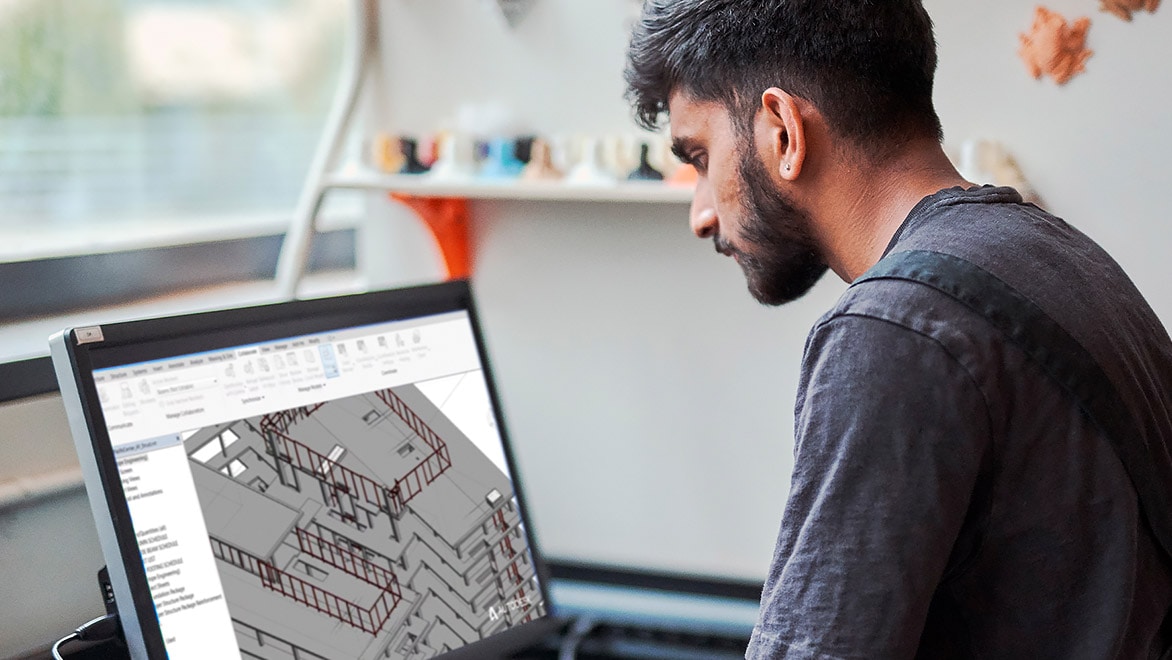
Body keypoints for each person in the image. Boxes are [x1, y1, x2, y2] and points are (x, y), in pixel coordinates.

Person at [624, 1, 1172, 658]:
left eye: (700, 156)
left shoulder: (896, 330)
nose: (701, 216)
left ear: (783, 132)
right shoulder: (1056, 254)